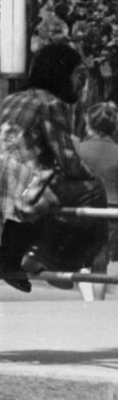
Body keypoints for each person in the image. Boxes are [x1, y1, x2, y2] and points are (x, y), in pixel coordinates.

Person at [0, 42, 107, 293]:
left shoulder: (13, 98)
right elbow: (69, 161)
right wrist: (90, 178)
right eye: (79, 77)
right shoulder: (51, 105)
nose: (82, 86)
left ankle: (10, 254)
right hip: (17, 183)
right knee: (91, 189)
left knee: (43, 184)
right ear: (62, 75)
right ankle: (64, 259)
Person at [76, 101, 118, 300]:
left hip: (82, 209)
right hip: (111, 212)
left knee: (82, 260)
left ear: (88, 123)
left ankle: (89, 301)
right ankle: (98, 303)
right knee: (101, 263)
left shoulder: (79, 150)